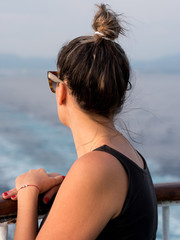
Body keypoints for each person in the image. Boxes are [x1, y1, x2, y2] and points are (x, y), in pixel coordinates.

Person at [2, 4, 157, 240]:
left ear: (61, 91)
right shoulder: (128, 158)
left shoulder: (97, 168)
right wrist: (69, 187)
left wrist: (28, 189)